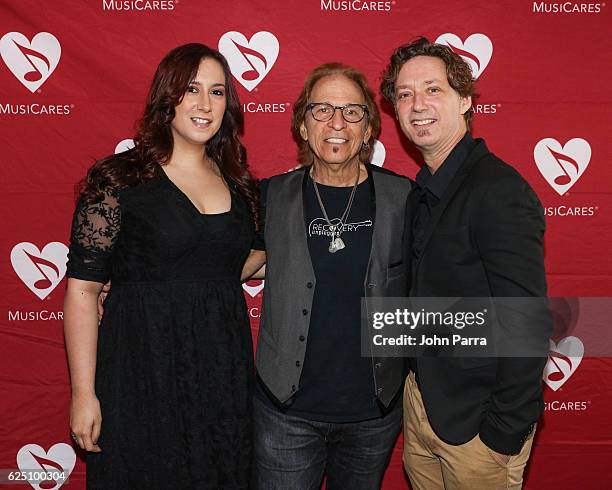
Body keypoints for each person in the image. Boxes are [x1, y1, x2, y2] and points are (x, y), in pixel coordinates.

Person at [63, 43, 258, 489]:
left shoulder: (240, 183)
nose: (205, 104)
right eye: (191, 89)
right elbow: (82, 291)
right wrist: (84, 393)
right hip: (139, 370)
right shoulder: (119, 181)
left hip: (222, 378)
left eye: (217, 91)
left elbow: (255, 255)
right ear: (166, 96)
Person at [380, 37, 551, 489]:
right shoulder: (421, 191)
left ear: (466, 100)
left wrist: (501, 434)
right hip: (423, 407)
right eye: (404, 94)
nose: (418, 104)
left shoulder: (498, 190)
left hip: (478, 429)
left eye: (432, 89)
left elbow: (526, 320)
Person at [246, 63, 412, 490]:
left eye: (352, 112)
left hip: (372, 414)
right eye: (321, 110)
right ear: (303, 125)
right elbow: (214, 264)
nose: (337, 123)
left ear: (369, 128)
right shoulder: (269, 198)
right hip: (286, 413)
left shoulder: (405, 198)